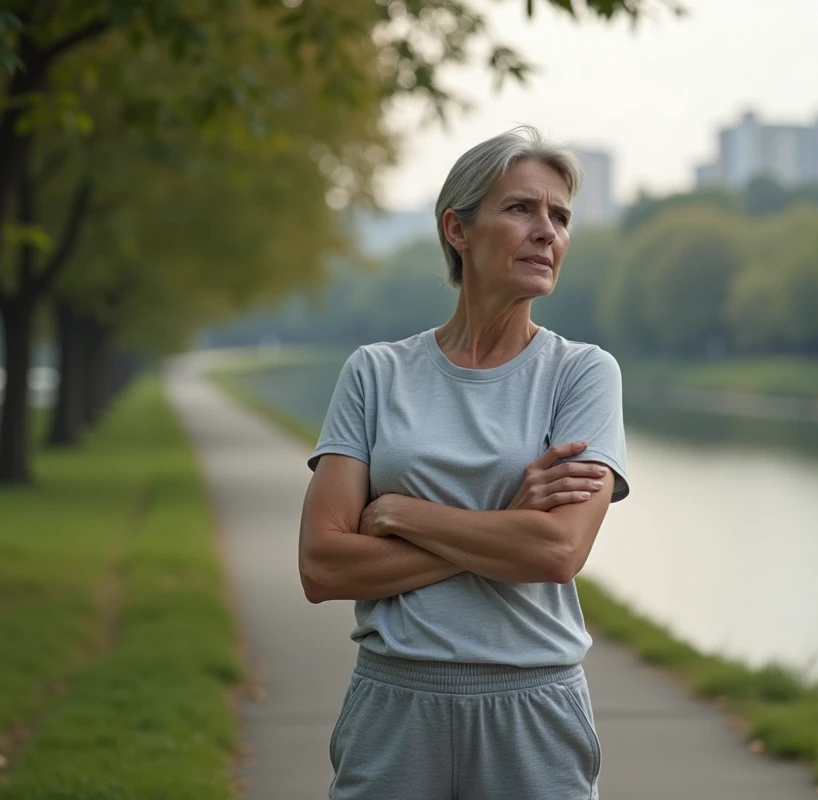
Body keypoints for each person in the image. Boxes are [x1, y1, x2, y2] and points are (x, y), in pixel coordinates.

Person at [299, 125, 630, 800]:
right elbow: (323, 566)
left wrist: (401, 514)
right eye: (521, 209)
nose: (547, 232)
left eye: (560, 217)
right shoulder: (375, 373)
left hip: (533, 710)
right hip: (394, 705)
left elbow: (557, 551)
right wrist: (506, 522)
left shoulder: (583, 374)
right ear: (458, 228)